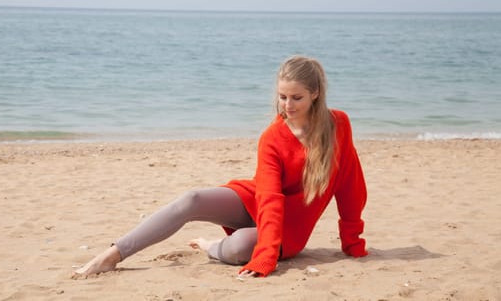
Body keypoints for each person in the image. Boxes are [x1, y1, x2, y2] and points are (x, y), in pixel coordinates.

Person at [72, 55, 368, 279]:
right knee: (193, 199)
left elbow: (350, 183)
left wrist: (352, 241)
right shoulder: (272, 138)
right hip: (260, 201)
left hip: (291, 229)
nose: (287, 105)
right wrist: (265, 255)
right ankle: (112, 255)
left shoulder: (338, 125)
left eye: (296, 98)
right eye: (282, 97)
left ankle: (208, 245)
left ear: (315, 93)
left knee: (239, 247)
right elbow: (268, 197)